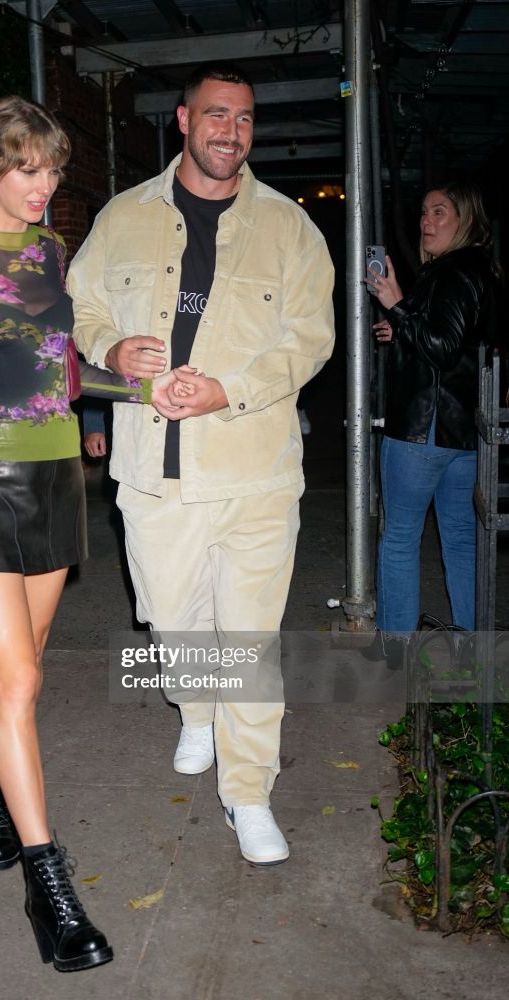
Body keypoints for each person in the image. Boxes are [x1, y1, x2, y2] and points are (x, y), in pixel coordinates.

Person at [0, 95, 189, 972]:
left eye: (52, 169)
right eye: (26, 168)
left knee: (27, 669)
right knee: (14, 676)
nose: (43, 186)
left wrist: (136, 387)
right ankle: (48, 887)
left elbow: (61, 372)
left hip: (55, 477)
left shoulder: (53, 252)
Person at [68, 63, 335, 865]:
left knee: (248, 639)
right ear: (184, 120)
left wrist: (229, 389)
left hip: (253, 468)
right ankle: (195, 708)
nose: (232, 132)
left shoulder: (289, 227)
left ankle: (248, 792)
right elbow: (80, 304)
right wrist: (109, 346)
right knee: (174, 621)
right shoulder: (123, 216)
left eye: (246, 120)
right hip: (154, 471)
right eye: (218, 115)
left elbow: (309, 337)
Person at [364, 181, 501, 659]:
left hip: (422, 431)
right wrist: (400, 327)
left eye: (440, 212)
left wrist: (396, 302)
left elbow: (441, 350)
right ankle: (471, 642)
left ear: (465, 218)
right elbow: (454, 342)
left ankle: (396, 648)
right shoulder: (481, 271)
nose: (426, 222)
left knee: (399, 537)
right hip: (465, 434)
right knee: (462, 538)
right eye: (423, 212)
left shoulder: (454, 272)